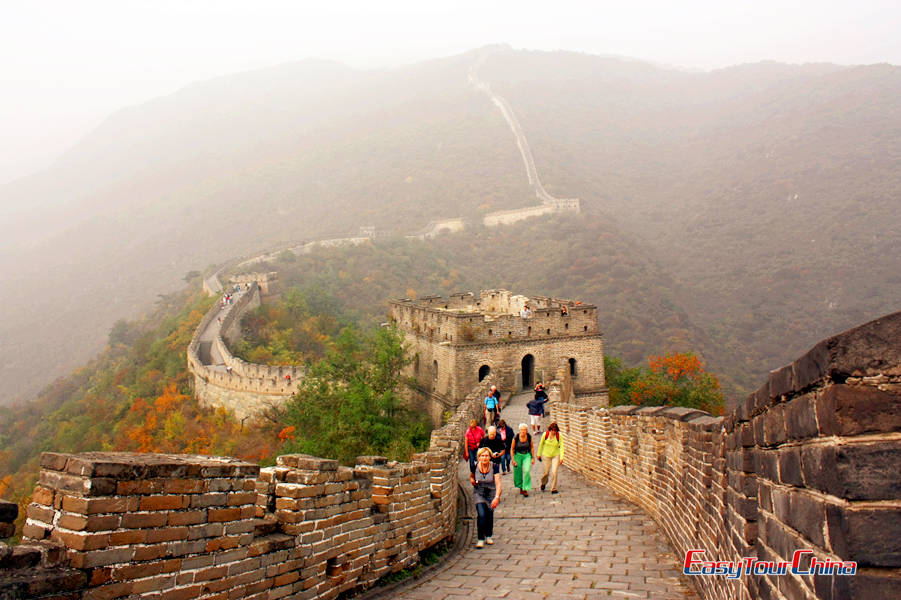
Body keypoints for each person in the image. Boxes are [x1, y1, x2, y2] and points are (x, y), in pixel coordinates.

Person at [470, 447, 501, 548]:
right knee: (481, 514)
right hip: (479, 492)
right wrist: (472, 481)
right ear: (479, 457)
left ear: (490, 457)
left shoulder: (494, 467)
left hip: (491, 493)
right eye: (482, 456)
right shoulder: (474, 466)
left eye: (486, 456)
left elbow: (498, 483)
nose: (484, 458)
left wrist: (496, 497)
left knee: (489, 514)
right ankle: (480, 538)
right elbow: (471, 476)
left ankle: (488, 535)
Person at [537, 422, 564, 494]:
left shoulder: (559, 435)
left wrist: (562, 457)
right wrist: (538, 454)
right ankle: (543, 483)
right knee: (546, 473)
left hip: (556, 455)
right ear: (550, 430)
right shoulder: (545, 435)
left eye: (555, 431)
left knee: (554, 472)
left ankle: (553, 488)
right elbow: (541, 445)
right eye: (552, 430)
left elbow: (561, 446)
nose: (554, 432)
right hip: (546, 455)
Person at [511, 423, 534, 496]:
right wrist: (513, 460)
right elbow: (512, 449)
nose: (523, 431)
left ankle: (525, 488)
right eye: (521, 430)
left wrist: (533, 458)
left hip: (527, 455)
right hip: (518, 455)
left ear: (527, 430)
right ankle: (520, 486)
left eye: (524, 430)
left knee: (527, 470)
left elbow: (532, 447)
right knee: (518, 472)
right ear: (519, 430)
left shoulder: (529, 437)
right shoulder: (516, 438)